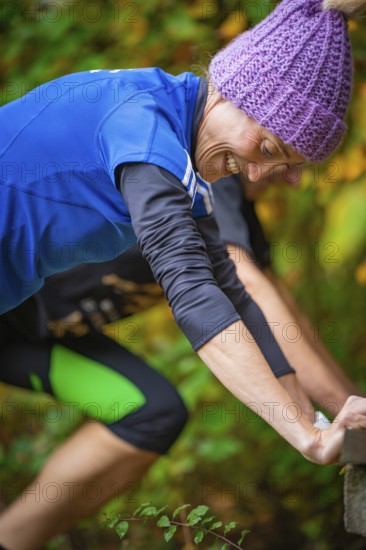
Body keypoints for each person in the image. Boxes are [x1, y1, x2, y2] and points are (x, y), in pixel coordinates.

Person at [1, 2, 366, 545]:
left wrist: (312, 420)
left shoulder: (172, 141)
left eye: (283, 164)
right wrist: (304, 436)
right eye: (266, 148)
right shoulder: (143, 129)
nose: (261, 173)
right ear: (229, 93)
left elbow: (232, 293)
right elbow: (192, 293)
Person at [0, 169, 361, 549]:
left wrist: (352, 409)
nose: (295, 179)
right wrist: (343, 423)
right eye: (281, 154)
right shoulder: (211, 179)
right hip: (12, 311)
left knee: (154, 413)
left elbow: (281, 311)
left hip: (37, 336)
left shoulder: (239, 211)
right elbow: (251, 288)